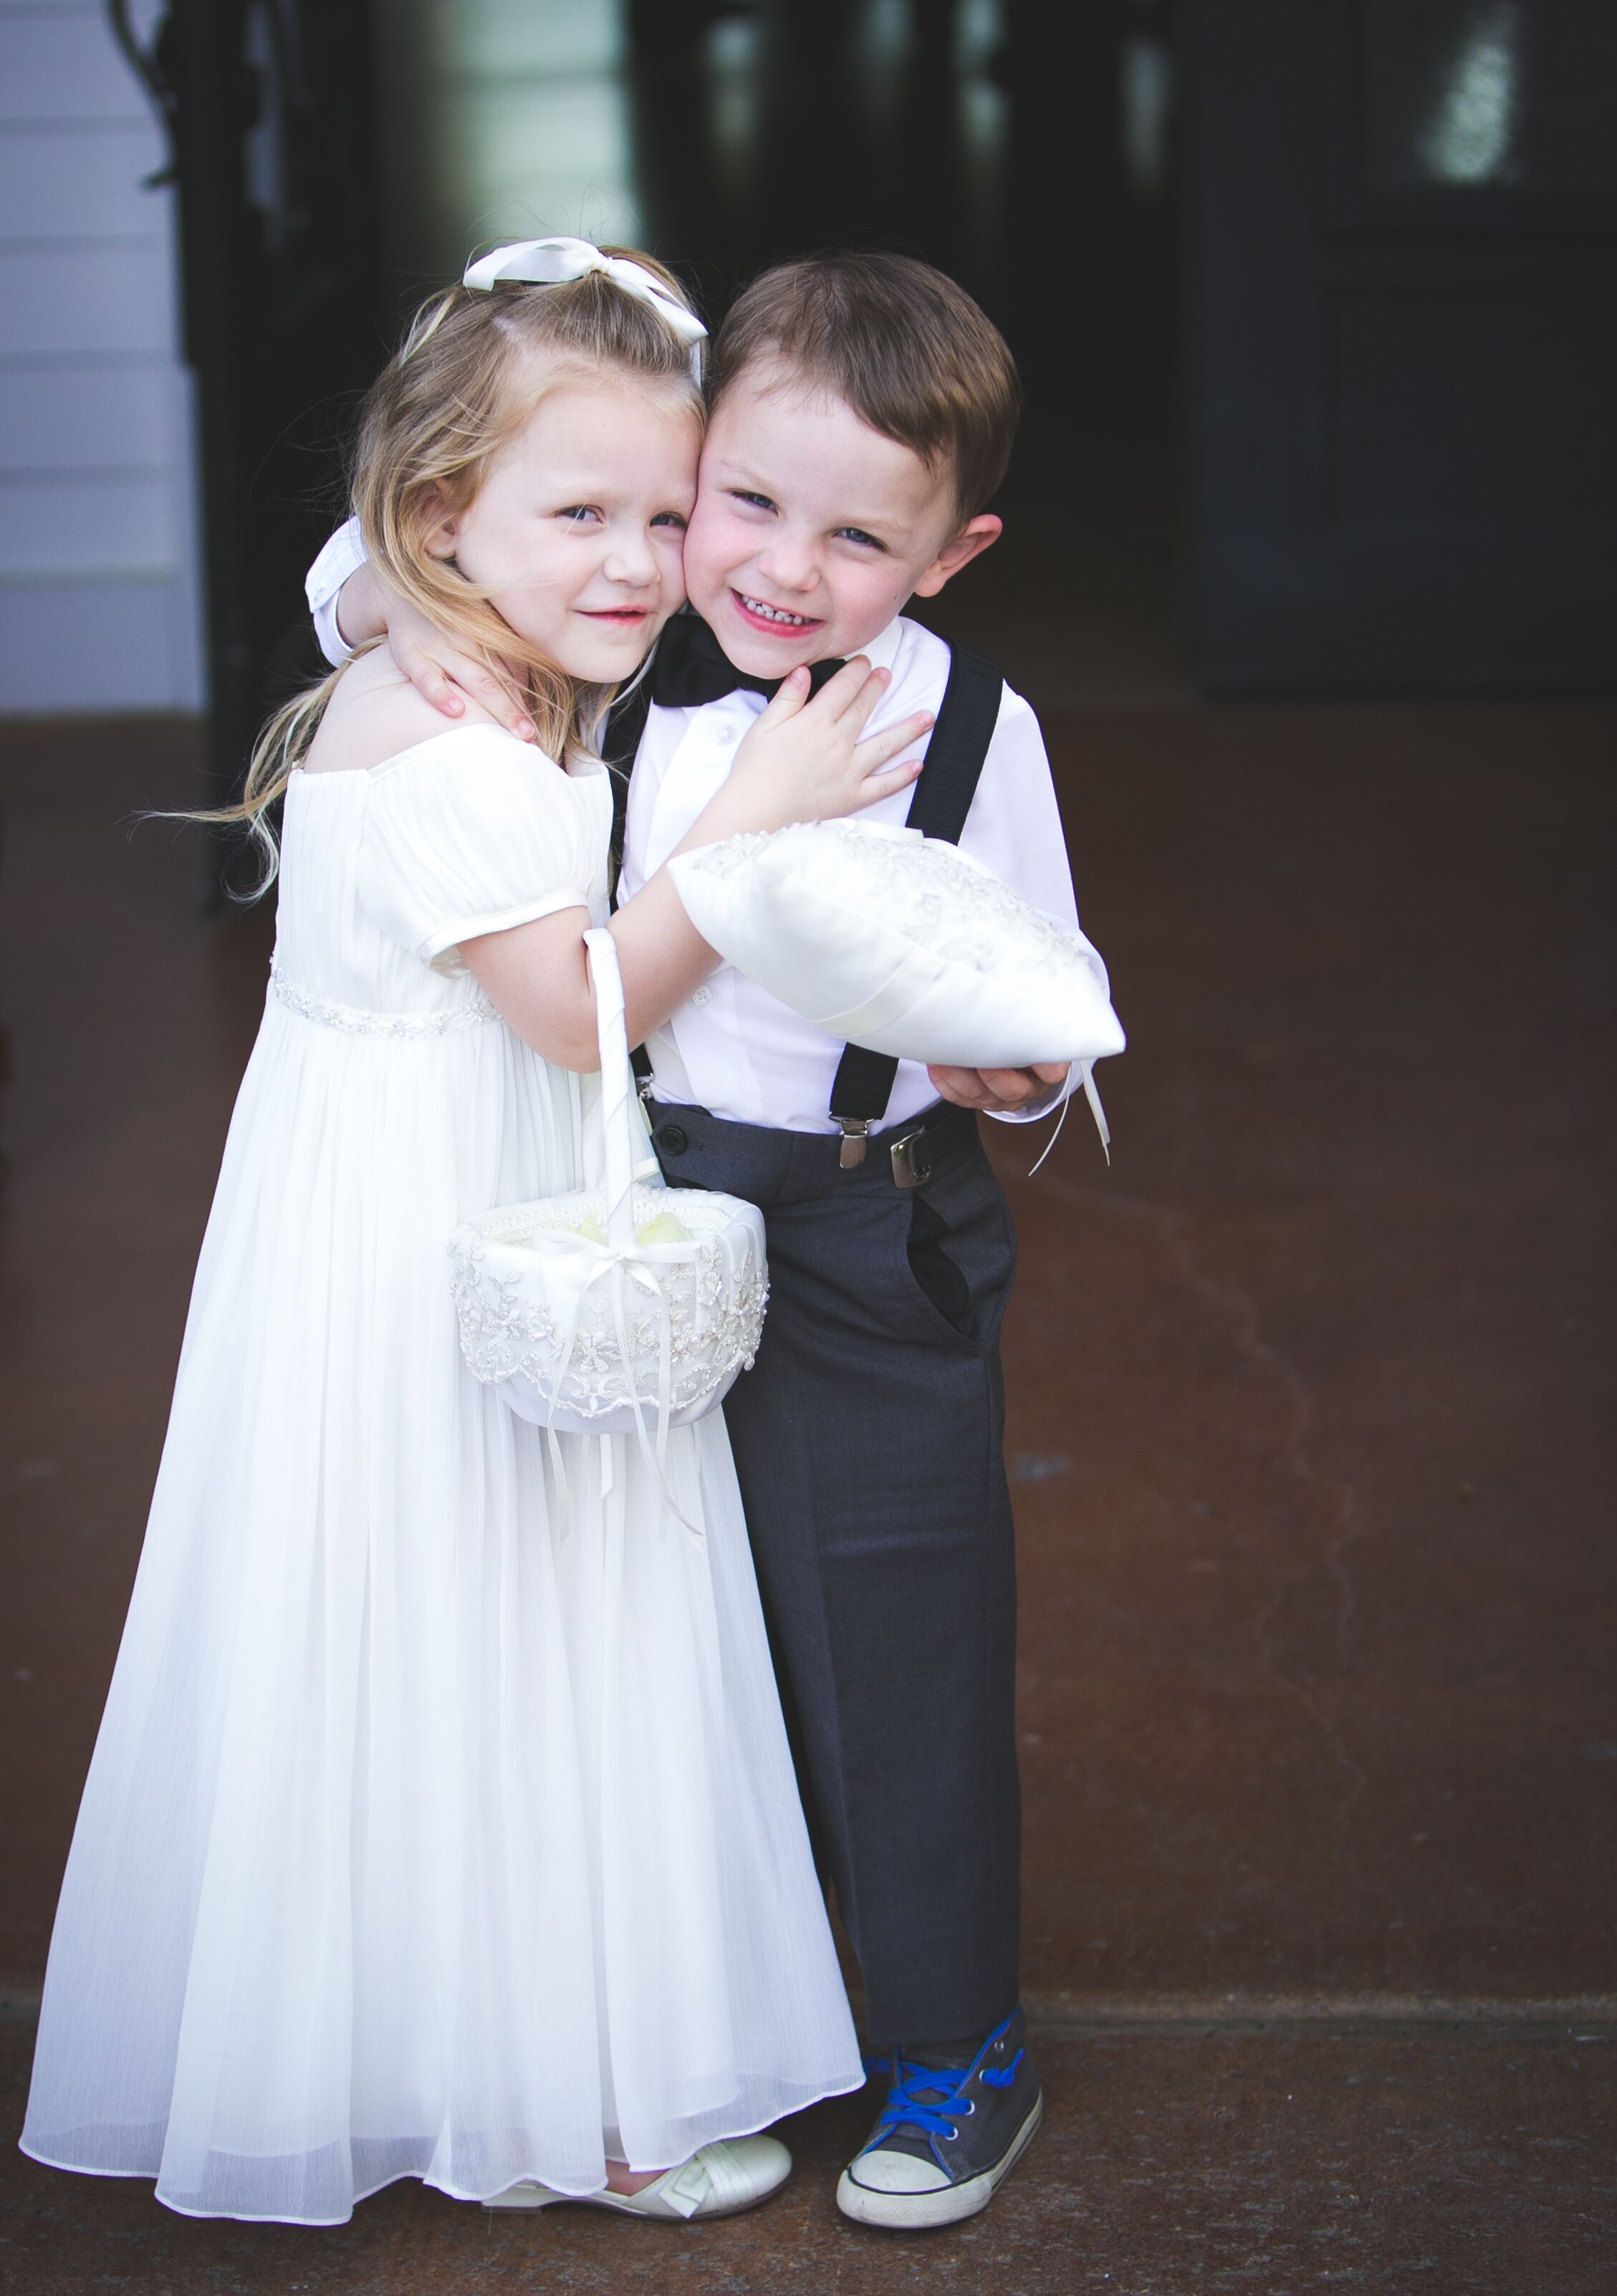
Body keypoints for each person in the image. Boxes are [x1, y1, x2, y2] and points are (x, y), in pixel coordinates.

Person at [20, 242, 936, 2226]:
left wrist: (383, 582)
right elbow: (582, 998)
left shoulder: (470, 637)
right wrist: (752, 817)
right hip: (422, 1236)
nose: (635, 563)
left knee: (514, 1626)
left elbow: (382, 568)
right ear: (446, 516)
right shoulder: (434, 737)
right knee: (478, 1619)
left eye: (663, 514)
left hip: (477, 1196)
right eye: (579, 514)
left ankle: (533, 2043)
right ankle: (556, 2099)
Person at [312, 249, 1109, 2232]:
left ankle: (950, 2037)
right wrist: (381, 619)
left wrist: (1009, 1067)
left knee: (887, 1626)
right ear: (688, 480)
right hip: (625, 1190)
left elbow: (1036, 978)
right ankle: (688, 2009)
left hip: (853, 1218)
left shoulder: (964, 727)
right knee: (639, 1627)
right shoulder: (616, 646)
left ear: (948, 554)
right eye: (737, 503)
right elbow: (411, 535)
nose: (775, 566)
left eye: (858, 536)